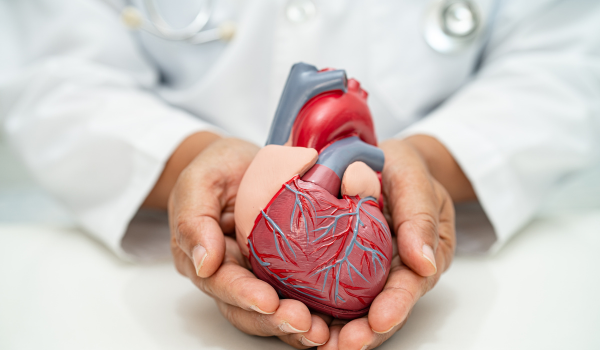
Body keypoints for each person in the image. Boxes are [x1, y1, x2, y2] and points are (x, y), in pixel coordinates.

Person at [1, 0, 599, 349]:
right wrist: (190, 163)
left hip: (484, 277)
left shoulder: (338, 200)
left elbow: (564, 63)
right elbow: (56, 75)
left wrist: (431, 161)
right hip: (136, 276)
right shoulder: (314, 195)